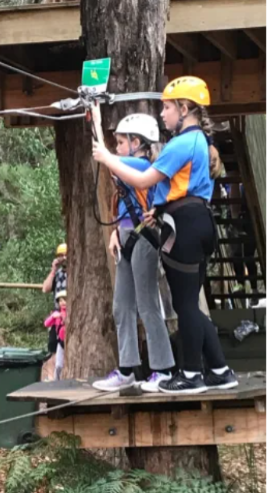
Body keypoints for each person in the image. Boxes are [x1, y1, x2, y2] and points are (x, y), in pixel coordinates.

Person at [92, 76, 238, 394]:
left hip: (184, 225)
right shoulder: (198, 142)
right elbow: (179, 188)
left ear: (185, 108)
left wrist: (105, 157)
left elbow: (144, 180)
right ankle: (220, 369)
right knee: (190, 304)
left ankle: (190, 374)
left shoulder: (183, 143)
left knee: (184, 304)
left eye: (167, 107)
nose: (163, 114)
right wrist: (158, 210)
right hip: (194, 219)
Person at [92, 114, 176, 393]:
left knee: (147, 304)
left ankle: (163, 369)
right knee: (122, 305)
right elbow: (122, 197)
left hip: (143, 238)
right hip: (127, 235)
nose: (116, 148)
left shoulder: (141, 165)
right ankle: (127, 368)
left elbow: (113, 164)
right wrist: (117, 229)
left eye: (120, 142)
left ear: (136, 142)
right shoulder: (126, 165)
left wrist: (102, 145)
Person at [42, 243, 67, 354]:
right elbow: (45, 289)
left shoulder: (76, 273)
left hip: (69, 314)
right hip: (57, 315)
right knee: (53, 345)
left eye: (65, 255)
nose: (63, 258)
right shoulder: (57, 274)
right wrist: (53, 270)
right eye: (60, 255)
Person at [44, 291, 67, 381]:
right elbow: (46, 324)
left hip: (70, 343)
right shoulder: (57, 314)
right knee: (58, 366)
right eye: (60, 300)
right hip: (61, 343)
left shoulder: (71, 313)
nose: (63, 302)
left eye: (65, 300)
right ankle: (56, 382)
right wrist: (53, 317)